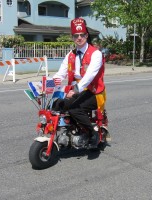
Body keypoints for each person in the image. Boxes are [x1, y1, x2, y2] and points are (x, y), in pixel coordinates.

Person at [52, 17, 106, 147]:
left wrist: (75, 90)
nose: (79, 38)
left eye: (82, 35)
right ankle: (70, 131)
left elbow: (89, 76)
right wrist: (47, 84)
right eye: (76, 35)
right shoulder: (71, 54)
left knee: (74, 109)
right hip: (77, 91)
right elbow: (60, 73)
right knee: (57, 105)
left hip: (94, 92)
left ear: (87, 35)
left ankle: (92, 133)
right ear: (72, 37)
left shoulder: (96, 54)